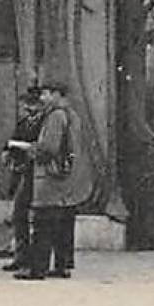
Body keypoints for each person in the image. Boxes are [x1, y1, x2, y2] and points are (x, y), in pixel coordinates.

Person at [16, 81, 95, 280]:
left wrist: (30, 149)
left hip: (51, 180)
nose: (42, 98)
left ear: (57, 95)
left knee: (43, 224)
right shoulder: (73, 115)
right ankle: (62, 266)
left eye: (46, 94)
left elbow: (49, 149)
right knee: (64, 224)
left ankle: (37, 269)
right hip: (70, 180)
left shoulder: (55, 116)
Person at [0, 87, 45, 272]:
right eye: (27, 104)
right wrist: (6, 152)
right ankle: (21, 255)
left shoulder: (43, 124)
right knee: (19, 215)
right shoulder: (23, 123)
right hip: (21, 172)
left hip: (35, 173)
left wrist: (17, 147)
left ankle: (28, 257)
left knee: (30, 215)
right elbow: (11, 142)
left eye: (32, 104)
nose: (28, 107)